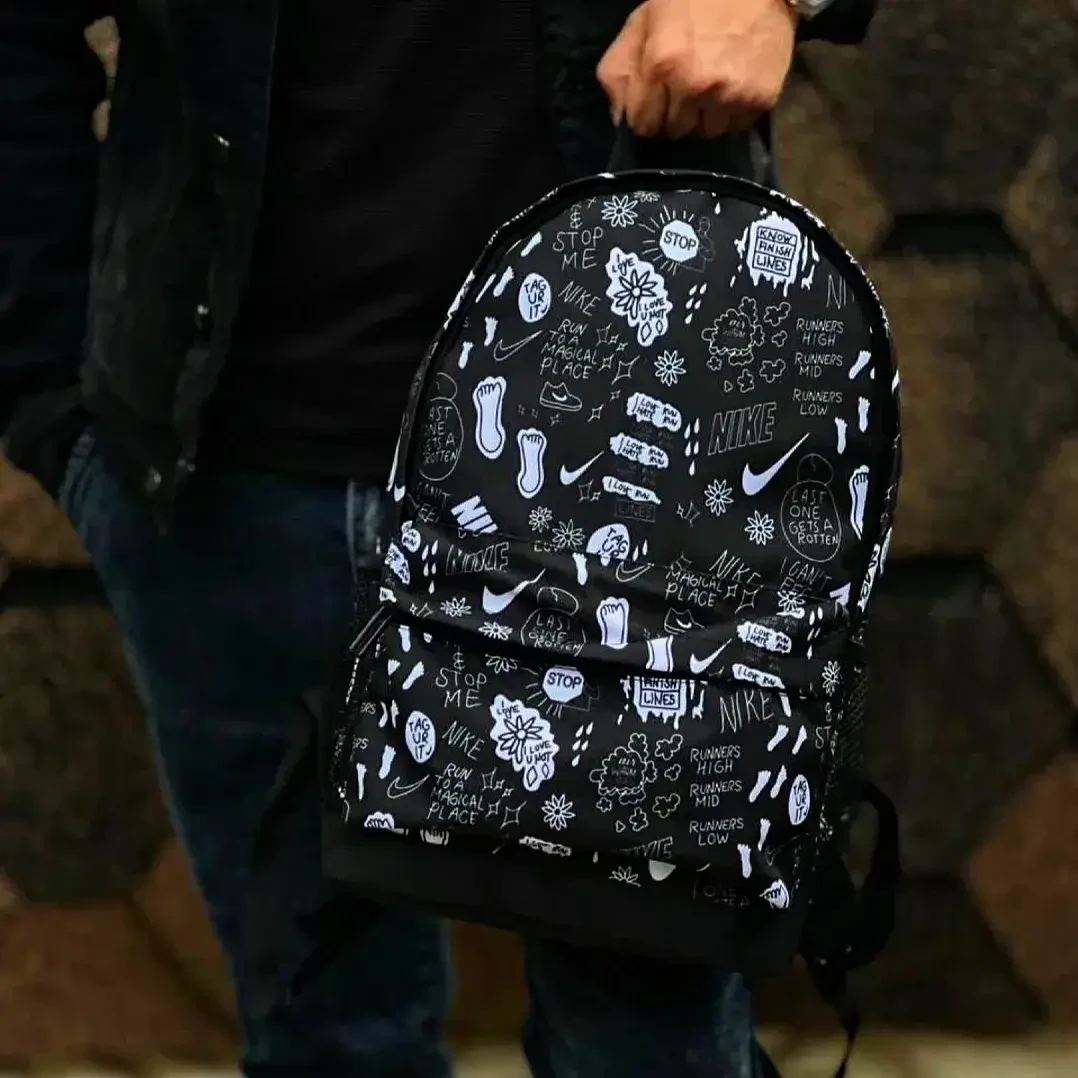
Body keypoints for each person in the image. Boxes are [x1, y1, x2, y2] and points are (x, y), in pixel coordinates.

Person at [0, 1, 878, 1074]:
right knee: (327, 1043)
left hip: (622, 495)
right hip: (230, 484)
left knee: (651, 1047)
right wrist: (53, 403)